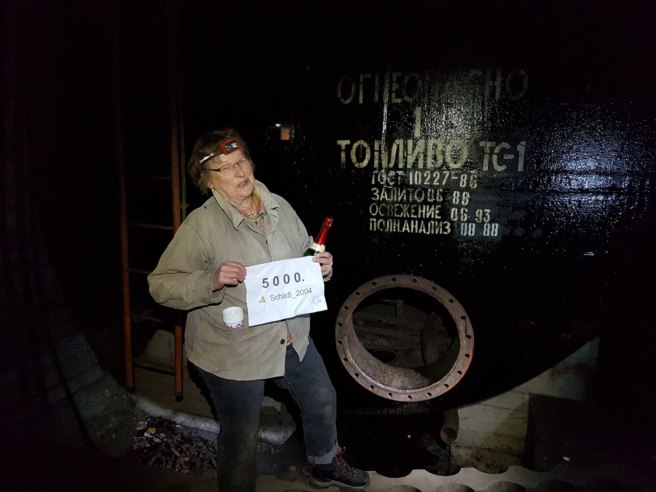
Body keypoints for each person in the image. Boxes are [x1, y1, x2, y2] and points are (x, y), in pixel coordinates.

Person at [148, 128, 370, 491]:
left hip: (290, 334)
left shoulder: (278, 205)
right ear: (207, 180)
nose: (239, 172)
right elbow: (160, 284)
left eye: (242, 161)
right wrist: (210, 280)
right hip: (233, 349)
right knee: (240, 437)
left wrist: (321, 268)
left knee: (322, 399)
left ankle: (325, 463)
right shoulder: (201, 226)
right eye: (225, 168)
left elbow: (304, 252)